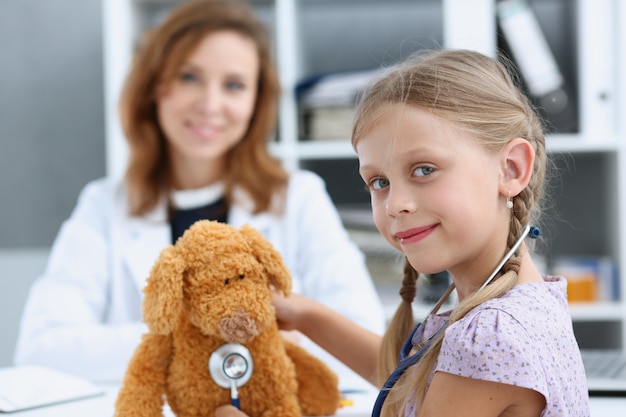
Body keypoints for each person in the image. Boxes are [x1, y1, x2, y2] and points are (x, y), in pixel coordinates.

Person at [13, 0, 385, 386]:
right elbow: (41, 350)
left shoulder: (298, 197)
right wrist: (207, 333)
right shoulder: (104, 205)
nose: (210, 105)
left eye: (234, 85)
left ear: (255, 103)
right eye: (189, 77)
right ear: (154, 86)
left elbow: (361, 343)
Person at [217, 48, 590, 417]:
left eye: (424, 170)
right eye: (378, 181)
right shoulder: (522, 301)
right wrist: (304, 314)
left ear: (510, 170)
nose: (395, 204)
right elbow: (414, 387)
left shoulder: (491, 337)